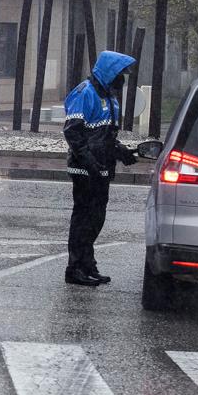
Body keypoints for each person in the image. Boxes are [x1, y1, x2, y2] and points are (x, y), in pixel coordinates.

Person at [61, 50, 138, 287]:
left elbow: (104, 136)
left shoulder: (109, 96)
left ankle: (87, 264)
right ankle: (75, 269)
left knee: (96, 219)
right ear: (109, 72)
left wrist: (121, 152)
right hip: (85, 170)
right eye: (119, 73)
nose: (122, 79)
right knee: (84, 219)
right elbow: (73, 132)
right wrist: (89, 162)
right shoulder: (85, 93)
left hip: (102, 168)